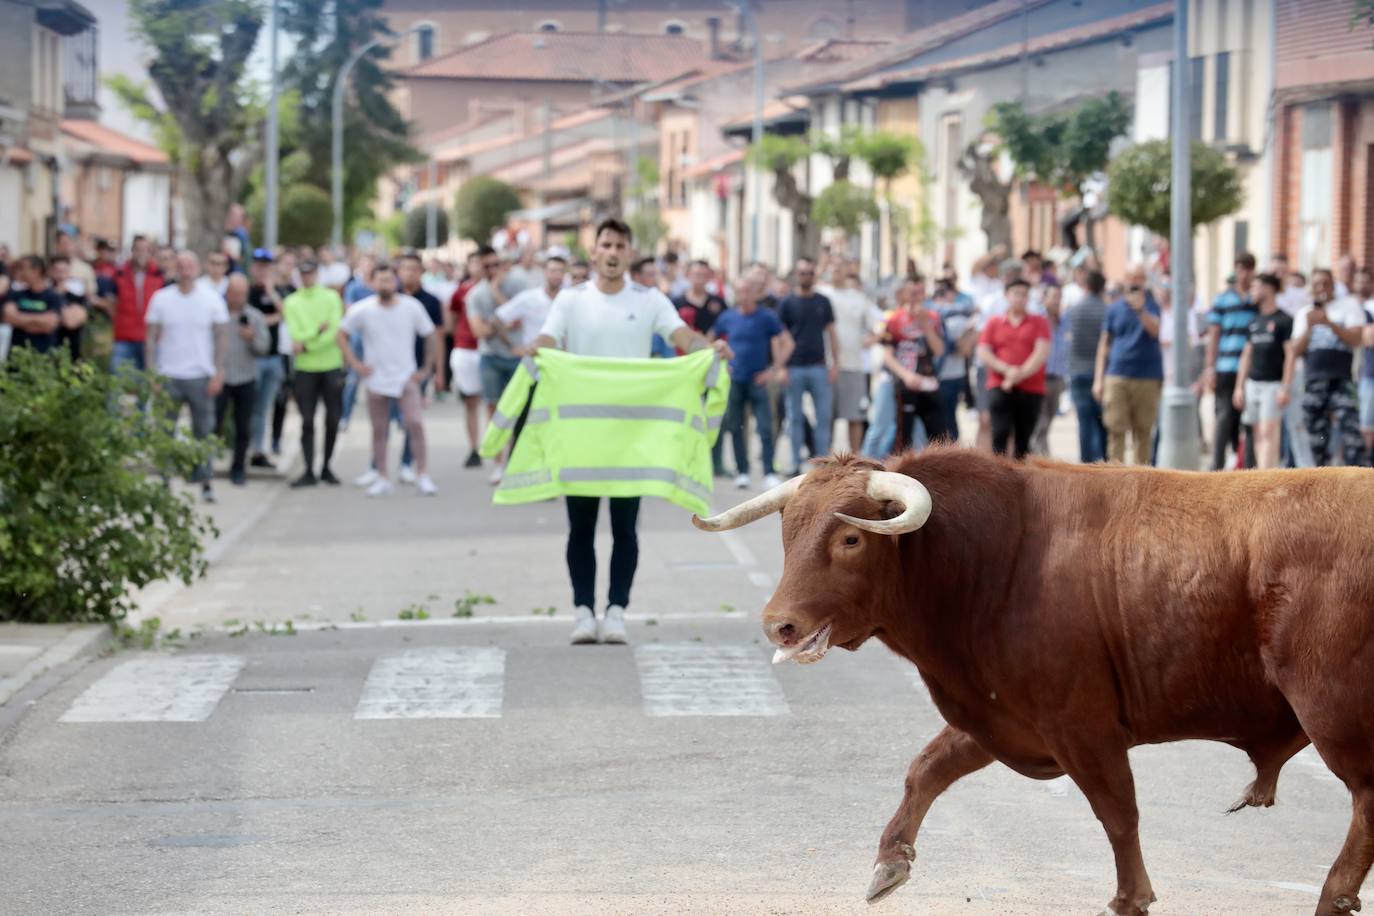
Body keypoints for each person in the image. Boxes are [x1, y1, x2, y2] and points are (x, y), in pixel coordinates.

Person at [532, 218, 730, 646]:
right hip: (583, 433)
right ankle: (584, 610)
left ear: (629, 252)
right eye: (606, 244)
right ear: (594, 252)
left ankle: (617, 609)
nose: (613, 251)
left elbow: (681, 336)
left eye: (620, 244)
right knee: (580, 528)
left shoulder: (650, 298)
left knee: (625, 528)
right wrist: (538, 349)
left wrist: (707, 349)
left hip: (630, 434)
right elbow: (548, 338)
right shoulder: (571, 299)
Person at [339, 262, 440, 497]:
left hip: (406, 376)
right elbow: (341, 335)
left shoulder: (411, 307)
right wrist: (356, 365)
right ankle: (382, 476)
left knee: (414, 423)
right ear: (372, 283)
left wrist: (426, 368)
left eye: (389, 279)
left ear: (396, 281)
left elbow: (430, 334)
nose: (385, 283)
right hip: (376, 379)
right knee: (379, 429)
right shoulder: (362, 310)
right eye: (380, 279)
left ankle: (422, 474)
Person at [145, 251, 229, 503]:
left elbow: (221, 336)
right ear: (175, 268)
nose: (185, 270)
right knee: (165, 432)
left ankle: (205, 481)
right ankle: (163, 481)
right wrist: (151, 372)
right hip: (168, 374)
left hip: (200, 374)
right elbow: (150, 336)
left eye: (190, 265)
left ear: (197, 267)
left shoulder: (210, 298)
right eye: (181, 265)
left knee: (203, 431)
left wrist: (219, 370)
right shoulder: (161, 298)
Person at [711, 275, 792, 489]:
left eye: (748, 291)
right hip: (735, 379)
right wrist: (720, 364)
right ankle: (742, 471)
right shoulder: (727, 317)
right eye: (740, 291)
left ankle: (769, 471)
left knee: (765, 426)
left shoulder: (766, 317)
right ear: (735, 294)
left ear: (755, 293)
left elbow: (787, 343)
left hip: (759, 380)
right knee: (736, 427)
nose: (744, 295)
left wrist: (773, 369)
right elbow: (711, 341)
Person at [1287, 268, 1366, 467]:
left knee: (1352, 433)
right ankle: (1322, 475)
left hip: (1342, 380)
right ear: (1311, 288)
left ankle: (1358, 478)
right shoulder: (1304, 313)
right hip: (1314, 381)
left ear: (1333, 285)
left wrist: (1329, 323)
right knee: (1317, 435)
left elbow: (1356, 338)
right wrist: (1310, 327)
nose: (1321, 288)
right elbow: (1295, 349)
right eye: (1316, 284)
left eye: (1325, 283)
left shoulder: (1348, 306)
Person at [282, 258, 345, 488]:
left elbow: (333, 331)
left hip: (330, 365)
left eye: (311, 273)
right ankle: (308, 468)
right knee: (307, 420)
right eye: (304, 273)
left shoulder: (330, 297)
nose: (307, 277)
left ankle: (326, 466)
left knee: (333, 419)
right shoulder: (292, 302)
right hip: (305, 369)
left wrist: (309, 343)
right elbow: (295, 333)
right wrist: (316, 331)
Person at [1093, 265, 1163, 465]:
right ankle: (1116, 478)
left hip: (1147, 377)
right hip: (1118, 375)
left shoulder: (1152, 305)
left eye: (1140, 278)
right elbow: (1104, 344)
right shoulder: (1114, 308)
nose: (1135, 281)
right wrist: (1098, 379)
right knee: (1115, 429)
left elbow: (1155, 331)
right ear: (1125, 279)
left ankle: (1141, 479)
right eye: (1132, 277)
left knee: (1143, 431)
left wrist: (1140, 310)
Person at [466, 245, 525, 482]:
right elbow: (478, 331)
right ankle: (499, 463)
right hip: (490, 358)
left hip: (517, 357)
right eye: (487, 266)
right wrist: (502, 324)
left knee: (518, 412)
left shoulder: (518, 285)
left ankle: (515, 461)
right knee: (494, 411)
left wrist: (497, 292)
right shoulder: (475, 295)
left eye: (496, 264)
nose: (492, 270)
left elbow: (519, 321)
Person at [977, 278, 1050, 459]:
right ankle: (998, 481)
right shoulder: (994, 322)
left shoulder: (1038, 322)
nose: (1020, 298)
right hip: (999, 385)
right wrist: (1006, 370)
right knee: (999, 434)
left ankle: (1020, 482)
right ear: (1006, 296)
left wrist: (1017, 375)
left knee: (1023, 440)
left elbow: (1041, 353)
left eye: (1024, 294)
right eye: (1016, 294)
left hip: (1030, 387)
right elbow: (984, 351)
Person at [778, 257, 838, 472]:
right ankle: (795, 463)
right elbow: (779, 337)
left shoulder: (823, 301)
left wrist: (835, 364)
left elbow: (831, 333)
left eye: (810, 273)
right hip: (793, 367)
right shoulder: (786, 303)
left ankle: (822, 465)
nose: (806, 277)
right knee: (793, 417)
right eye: (802, 273)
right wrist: (781, 367)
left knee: (823, 417)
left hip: (819, 366)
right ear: (797, 275)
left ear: (815, 275)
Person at [1232, 274, 1293, 470]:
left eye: (1256, 287)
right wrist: (1239, 387)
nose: (1252, 291)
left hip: (1273, 385)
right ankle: (1263, 474)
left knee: (1268, 431)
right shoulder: (1254, 321)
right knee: (1257, 432)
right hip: (1253, 384)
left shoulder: (1284, 320)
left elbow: (1290, 356)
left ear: (1268, 288)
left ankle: (1267, 477)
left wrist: (1285, 386)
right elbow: (1246, 356)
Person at [1204, 253, 1258, 470]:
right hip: (1226, 367)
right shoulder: (1222, 299)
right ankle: (1216, 464)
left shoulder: (1257, 299)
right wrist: (1210, 368)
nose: (1244, 273)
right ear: (1235, 270)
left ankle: (1246, 465)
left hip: (1252, 368)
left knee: (1249, 420)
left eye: (1248, 268)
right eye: (1241, 268)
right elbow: (1214, 335)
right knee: (1224, 417)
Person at [882, 275, 947, 452]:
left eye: (919, 293)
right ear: (904, 294)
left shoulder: (933, 317)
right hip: (905, 385)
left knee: (939, 435)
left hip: (929, 383)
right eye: (912, 293)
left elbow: (939, 350)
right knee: (903, 438)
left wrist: (926, 326)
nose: (916, 297)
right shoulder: (894, 319)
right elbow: (887, 355)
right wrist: (906, 375)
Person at [825, 258, 884, 454]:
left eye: (839, 268)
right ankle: (826, 460)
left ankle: (855, 458)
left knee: (855, 416)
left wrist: (870, 340)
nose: (836, 272)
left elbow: (879, 325)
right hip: (826, 365)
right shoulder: (821, 294)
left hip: (854, 365)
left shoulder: (858, 298)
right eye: (832, 268)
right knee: (827, 416)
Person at [217, 274, 270, 485]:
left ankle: (238, 468)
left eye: (241, 293)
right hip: (220, 377)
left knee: (243, 427)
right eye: (234, 293)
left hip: (245, 378)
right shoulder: (217, 313)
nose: (237, 297)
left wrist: (252, 338)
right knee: (214, 423)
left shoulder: (254, 316)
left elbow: (264, 348)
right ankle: (203, 464)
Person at [245, 249, 285, 471]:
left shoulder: (277, 291)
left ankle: (258, 450)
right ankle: (244, 447)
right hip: (252, 359)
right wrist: (268, 320)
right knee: (248, 406)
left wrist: (271, 291)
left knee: (264, 407)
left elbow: (286, 313)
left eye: (266, 266)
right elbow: (249, 321)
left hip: (273, 358)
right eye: (258, 265)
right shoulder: (247, 291)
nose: (262, 270)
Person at [1065, 269, 1109, 462]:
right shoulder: (1107, 310)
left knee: (1084, 420)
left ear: (1085, 286)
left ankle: (1087, 462)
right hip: (1102, 372)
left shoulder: (1073, 311)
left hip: (1078, 370)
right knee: (1103, 421)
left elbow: (1067, 338)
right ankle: (1105, 460)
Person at [447, 252, 485, 468]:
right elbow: (452, 319)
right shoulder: (460, 292)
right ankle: (474, 447)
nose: (479, 267)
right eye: (475, 263)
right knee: (471, 402)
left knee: (494, 403)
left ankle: (497, 449)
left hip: (488, 350)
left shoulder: (493, 291)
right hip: (466, 348)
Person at [110, 235, 164, 373]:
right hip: (124, 337)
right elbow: (111, 302)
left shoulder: (159, 275)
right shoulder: (119, 274)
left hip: (151, 338)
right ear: (132, 251)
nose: (141, 253)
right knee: (118, 382)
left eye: (145, 249)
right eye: (138, 249)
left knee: (151, 383)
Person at [932, 279, 977, 442]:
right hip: (940, 376)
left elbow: (964, 350)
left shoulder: (957, 319)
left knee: (947, 421)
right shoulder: (955, 317)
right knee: (942, 421)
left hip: (950, 375)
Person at [497, 255, 566, 356]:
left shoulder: (568, 299)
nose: (557, 275)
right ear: (545, 272)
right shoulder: (529, 297)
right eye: (553, 271)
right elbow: (498, 319)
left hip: (558, 362)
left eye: (561, 271)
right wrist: (512, 347)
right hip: (532, 361)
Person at [1031, 284, 1069, 456]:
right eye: (1053, 296)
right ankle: (1043, 459)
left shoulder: (1064, 321)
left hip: (1057, 378)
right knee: (1040, 422)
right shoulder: (1037, 319)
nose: (1056, 300)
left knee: (1048, 421)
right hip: (1039, 377)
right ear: (1045, 298)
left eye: (1059, 297)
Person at [2, 255, 62, 354]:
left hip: (43, 355)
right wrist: (39, 320)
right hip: (17, 355)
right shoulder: (15, 294)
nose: (21, 272)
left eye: (23, 268)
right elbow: (8, 318)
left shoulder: (53, 296)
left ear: (36, 271)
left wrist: (19, 319)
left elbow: (50, 324)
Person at [49, 255, 90, 361]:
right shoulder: (44, 294)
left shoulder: (77, 296)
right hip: (49, 350)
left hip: (72, 352)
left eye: (64, 271)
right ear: (50, 272)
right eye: (57, 271)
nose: (61, 275)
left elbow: (71, 322)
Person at [673, 259, 727, 336]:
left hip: (712, 346)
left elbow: (726, 324)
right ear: (688, 275)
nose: (700, 279)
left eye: (704, 275)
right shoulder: (677, 302)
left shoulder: (718, 301)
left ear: (709, 277)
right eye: (697, 275)